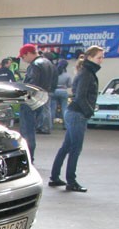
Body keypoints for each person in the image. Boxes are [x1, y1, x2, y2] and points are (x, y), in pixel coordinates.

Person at [48, 45, 104, 193]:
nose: (101, 60)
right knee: (75, 148)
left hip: (75, 113)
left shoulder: (86, 72)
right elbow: (80, 96)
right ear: (90, 57)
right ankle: (71, 181)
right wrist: (89, 112)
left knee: (67, 147)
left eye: (102, 57)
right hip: (77, 114)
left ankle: (55, 177)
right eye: (99, 57)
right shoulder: (87, 73)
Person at [17, 44, 57, 156]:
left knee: (27, 131)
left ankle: (27, 156)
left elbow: (31, 84)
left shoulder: (34, 66)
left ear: (29, 53)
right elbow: (54, 82)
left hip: (30, 100)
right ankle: (31, 156)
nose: (23, 60)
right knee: (33, 129)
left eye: (23, 57)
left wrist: (22, 92)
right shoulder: (49, 63)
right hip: (44, 98)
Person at [53, 60, 72, 127]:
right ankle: (66, 125)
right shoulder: (67, 75)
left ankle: (50, 125)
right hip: (63, 91)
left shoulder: (54, 74)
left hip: (54, 91)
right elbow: (69, 85)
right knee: (64, 108)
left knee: (52, 108)